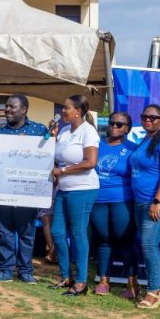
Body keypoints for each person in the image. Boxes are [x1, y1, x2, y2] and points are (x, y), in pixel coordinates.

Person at [0, 94, 47, 284]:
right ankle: (5, 270)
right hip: (4, 190)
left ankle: (25, 271)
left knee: (26, 233)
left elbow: (47, 156)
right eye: (6, 106)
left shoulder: (39, 130)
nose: (7, 110)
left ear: (24, 110)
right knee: (4, 231)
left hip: (28, 191)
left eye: (12, 107)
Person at [128, 104, 160, 309]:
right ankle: (143, 287)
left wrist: (157, 201)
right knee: (144, 244)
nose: (148, 119)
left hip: (155, 203)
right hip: (139, 202)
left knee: (149, 245)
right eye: (145, 116)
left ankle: (154, 292)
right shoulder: (145, 140)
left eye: (153, 117)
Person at [50, 95, 99, 296]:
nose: (63, 111)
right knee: (57, 232)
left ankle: (80, 282)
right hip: (63, 188)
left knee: (78, 234)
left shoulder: (88, 132)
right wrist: (51, 136)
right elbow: (56, 158)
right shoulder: (63, 131)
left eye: (67, 108)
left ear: (78, 111)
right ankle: (65, 276)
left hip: (83, 188)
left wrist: (63, 171)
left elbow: (90, 162)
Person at [89, 111, 139, 298]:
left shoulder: (133, 149)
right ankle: (104, 282)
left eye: (119, 124)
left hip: (122, 200)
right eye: (112, 123)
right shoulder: (97, 145)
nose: (114, 126)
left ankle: (132, 284)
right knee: (103, 240)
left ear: (127, 128)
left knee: (124, 240)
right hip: (98, 199)